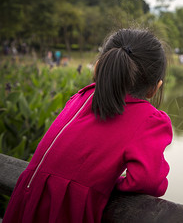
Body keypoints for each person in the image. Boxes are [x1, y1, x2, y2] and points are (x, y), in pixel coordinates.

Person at [3, 29, 173, 223]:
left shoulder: (82, 97)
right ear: (155, 88)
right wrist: (108, 184)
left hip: (27, 201)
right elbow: (148, 182)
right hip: (66, 211)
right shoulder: (149, 120)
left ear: (99, 67)